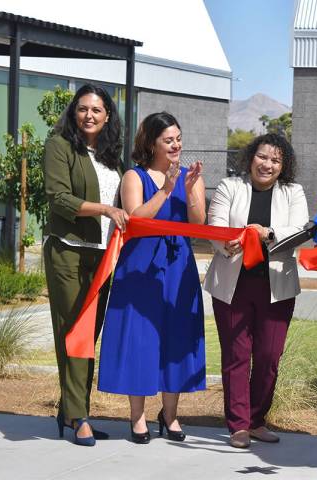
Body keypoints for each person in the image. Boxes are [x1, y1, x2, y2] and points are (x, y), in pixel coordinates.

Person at [97, 112, 207, 445]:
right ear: (151, 143)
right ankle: (138, 417)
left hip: (178, 268)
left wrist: (188, 191)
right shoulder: (134, 176)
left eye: (178, 138)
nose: (176, 145)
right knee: (140, 339)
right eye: (168, 139)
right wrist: (165, 191)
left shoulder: (191, 176)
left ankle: (170, 416)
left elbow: (198, 225)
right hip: (141, 269)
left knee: (176, 337)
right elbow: (134, 221)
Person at [203, 133, 309, 449]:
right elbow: (215, 227)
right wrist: (228, 243)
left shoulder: (293, 192)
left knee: (268, 356)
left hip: (276, 286)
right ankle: (238, 425)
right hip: (233, 284)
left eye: (275, 160)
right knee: (236, 356)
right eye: (262, 157)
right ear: (251, 157)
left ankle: (256, 419)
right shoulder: (229, 187)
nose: (267, 164)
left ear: (283, 165)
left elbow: (300, 230)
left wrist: (268, 233)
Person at [43, 83, 129, 447]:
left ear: (107, 115)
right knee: (74, 332)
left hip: (103, 256)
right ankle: (79, 417)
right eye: (82, 109)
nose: (89, 115)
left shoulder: (111, 156)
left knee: (88, 338)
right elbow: (58, 197)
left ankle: (73, 410)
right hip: (69, 251)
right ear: (73, 112)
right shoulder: (59, 146)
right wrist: (106, 209)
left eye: (96, 110)